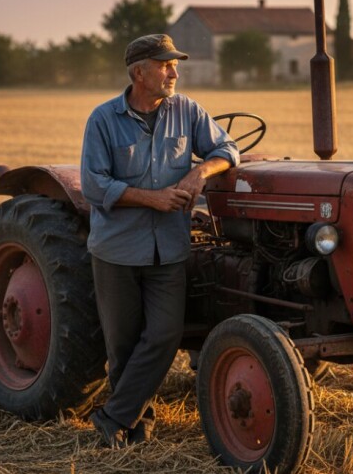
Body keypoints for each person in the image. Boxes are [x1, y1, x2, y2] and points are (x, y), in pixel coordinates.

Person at [80, 34, 239, 448]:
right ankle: (136, 424)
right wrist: (153, 199)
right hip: (116, 250)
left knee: (166, 334)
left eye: (175, 64)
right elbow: (94, 185)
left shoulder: (186, 110)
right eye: (165, 64)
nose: (175, 71)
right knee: (124, 343)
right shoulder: (103, 119)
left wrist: (198, 174)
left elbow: (226, 147)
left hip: (168, 247)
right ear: (139, 72)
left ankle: (113, 415)